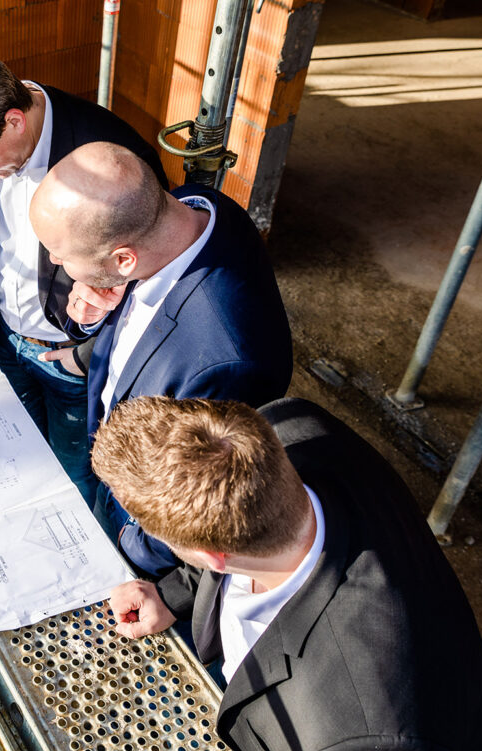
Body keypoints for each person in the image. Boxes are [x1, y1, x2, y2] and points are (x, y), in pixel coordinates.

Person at [94, 396, 482, 751]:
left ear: (211, 555)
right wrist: (169, 596)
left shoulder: (369, 741)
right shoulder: (281, 429)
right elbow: (231, 524)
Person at [0, 49, 166, 506]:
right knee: (19, 469)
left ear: (14, 121)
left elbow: (148, 273)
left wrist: (86, 356)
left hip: (71, 360)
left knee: (76, 482)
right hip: (2, 345)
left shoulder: (114, 154)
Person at [29, 142, 291, 569]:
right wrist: (96, 315)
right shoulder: (190, 209)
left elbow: (195, 506)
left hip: (138, 516)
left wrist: (133, 548)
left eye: (61, 253)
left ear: (124, 259)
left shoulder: (226, 363)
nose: (54, 260)